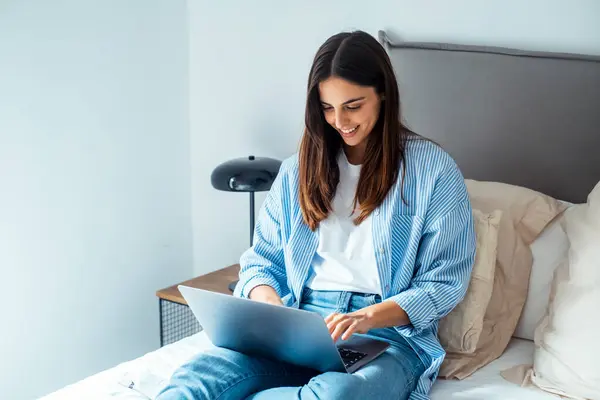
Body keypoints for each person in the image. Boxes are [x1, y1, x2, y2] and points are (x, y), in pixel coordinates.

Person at [156, 30, 476, 400]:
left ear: (383, 94)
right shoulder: (297, 171)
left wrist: (369, 317)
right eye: (327, 108)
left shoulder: (432, 171)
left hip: (386, 335)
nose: (340, 121)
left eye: (353, 106)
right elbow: (262, 262)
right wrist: (272, 311)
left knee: (336, 395)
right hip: (300, 322)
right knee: (199, 377)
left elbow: (443, 282)